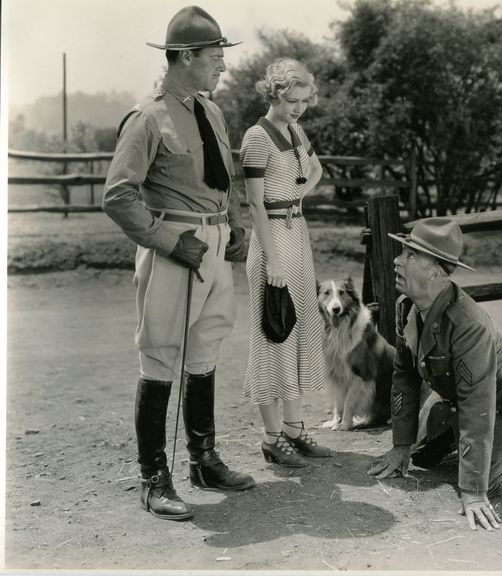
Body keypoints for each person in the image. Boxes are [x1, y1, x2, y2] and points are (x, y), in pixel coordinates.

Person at [103, 5, 254, 521]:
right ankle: (152, 478)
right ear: (186, 56)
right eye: (216, 55)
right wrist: (169, 242)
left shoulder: (211, 111)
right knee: (162, 354)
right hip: (175, 248)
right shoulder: (147, 116)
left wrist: (232, 228)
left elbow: (221, 179)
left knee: (206, 348)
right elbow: (119, 196)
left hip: (213, 245)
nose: (224, 66)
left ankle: (204, 459)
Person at [367, 218, 502, 531]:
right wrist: (401, 446)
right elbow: (404, 377)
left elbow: (478, 407)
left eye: (411, 255)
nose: (397, 260)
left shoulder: (468, 324)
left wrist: (473, 493)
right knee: (422, 456)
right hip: (459, 393)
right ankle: (451, 438)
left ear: (436, 271)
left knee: (491, 482)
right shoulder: (407, 306)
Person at [240, 58, 331, 467]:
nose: (298, 108)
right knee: (273, 335)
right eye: (291, 100)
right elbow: (255, 205)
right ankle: (272, 437)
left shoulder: (295, 131)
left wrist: (298, 195)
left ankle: (295, 429)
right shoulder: (257, 137)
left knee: (296, 332)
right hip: (271, 241)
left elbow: (316, 169)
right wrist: (273, 261)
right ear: (274, 94)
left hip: (297, 235)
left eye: (304, 102)